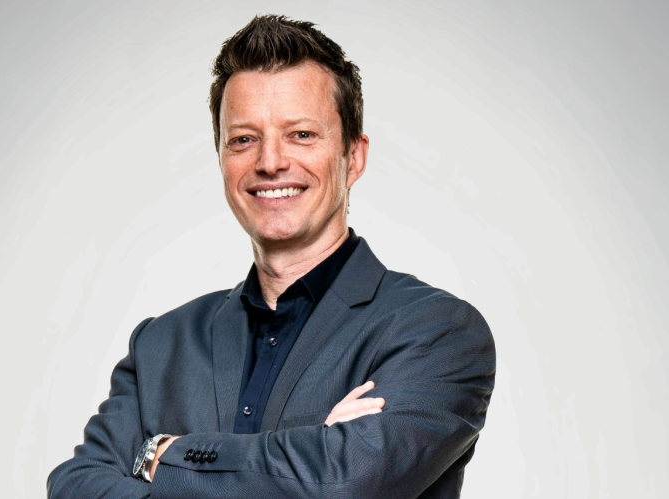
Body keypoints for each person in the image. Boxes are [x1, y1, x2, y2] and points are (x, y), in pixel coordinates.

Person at [47, 15, 495, 499]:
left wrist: (163, 454)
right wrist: (311, 452)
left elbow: (342, 483)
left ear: (354, 157)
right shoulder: (160, 345)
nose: (270, 162)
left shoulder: (436, 332)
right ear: (221, 157)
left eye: (301, 134)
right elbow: (74, 486)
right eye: (244, 139)